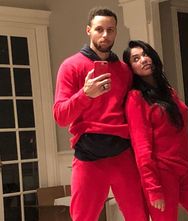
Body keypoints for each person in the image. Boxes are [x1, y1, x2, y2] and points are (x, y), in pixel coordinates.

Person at [53, 8, 149, 221]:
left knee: (139, 216)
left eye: (110, 30)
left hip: (122, 153)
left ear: (115, 33)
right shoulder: (70, 66)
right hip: (88, 155)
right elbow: (60, 116)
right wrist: (85, 94)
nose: (105, 35)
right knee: (83, 218)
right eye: (99, 29)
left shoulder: (125, 70)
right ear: (89, 30)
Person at [123, 40, 188, 221]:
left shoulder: (169, 92)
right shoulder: (136, 98)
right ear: (131, 68)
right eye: (136, 58)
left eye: (146, 54)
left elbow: (183, 135)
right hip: (162, 174)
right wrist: (152, 187)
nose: (144, 60)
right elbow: (141, 147)